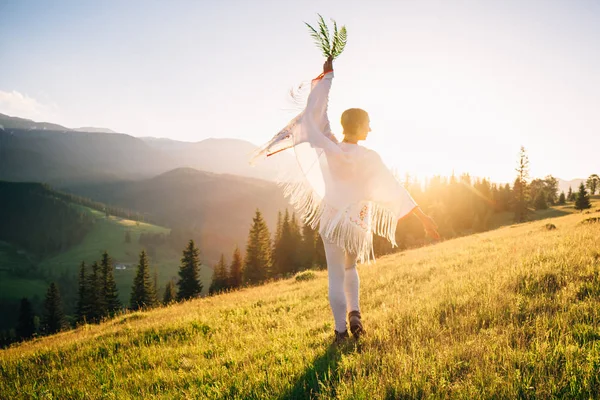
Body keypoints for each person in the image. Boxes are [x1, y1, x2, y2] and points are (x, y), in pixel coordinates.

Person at [252, 57, 439, 343]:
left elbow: (317, 115)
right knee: (351, 268)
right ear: (360, 125)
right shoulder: (370, 158)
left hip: (331, 220)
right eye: (368, 124)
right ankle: (355, 316)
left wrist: (327, 77)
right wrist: (423, 217)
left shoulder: (329, 147)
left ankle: (340, 331)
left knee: (335, 275)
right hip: (356, 221)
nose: (370, 129)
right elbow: (395, 189)